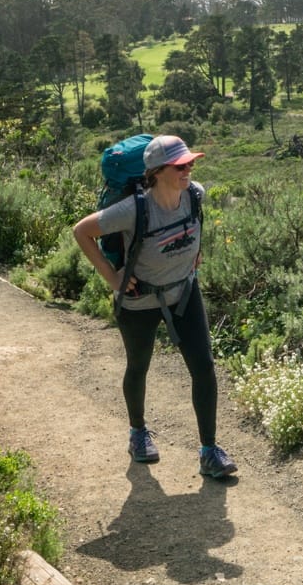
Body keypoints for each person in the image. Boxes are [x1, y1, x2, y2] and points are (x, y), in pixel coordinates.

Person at [71, 134, 238, 479]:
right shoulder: (133, 209)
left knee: (204, 367)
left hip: (184, 293)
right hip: (139, 301)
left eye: (190, 162)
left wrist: (193, 253)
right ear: (157, 171)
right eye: (180, 165)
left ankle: (209, 450)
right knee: (138, 366)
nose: (188, 168)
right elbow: (82, 231)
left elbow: (194, 228)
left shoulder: (195, 194)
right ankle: (137, 432)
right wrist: (113, 279)